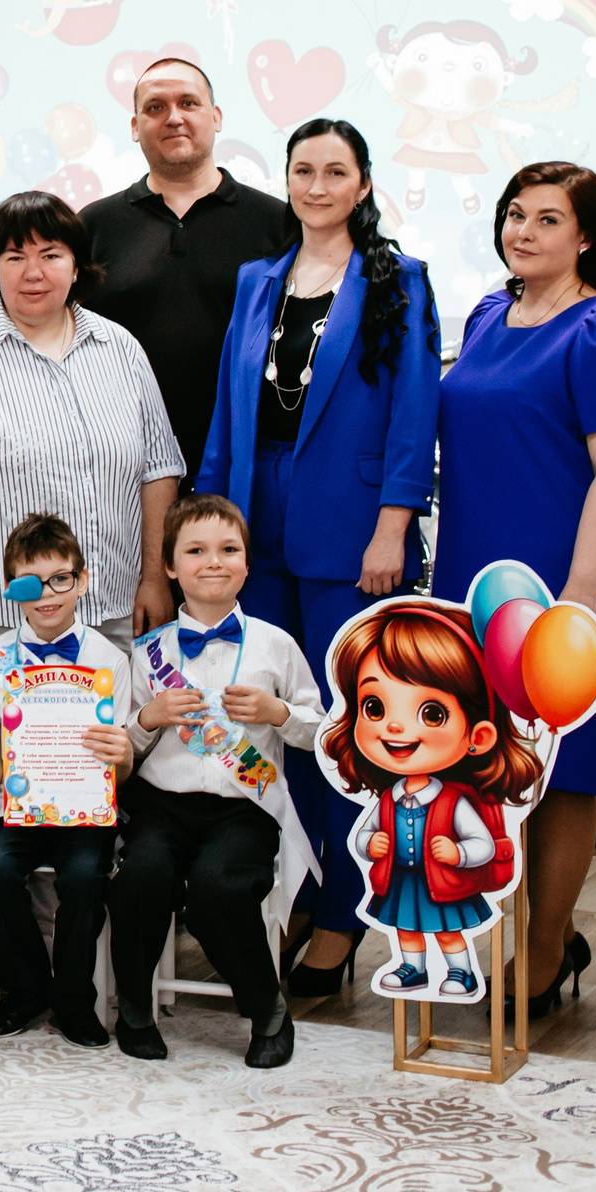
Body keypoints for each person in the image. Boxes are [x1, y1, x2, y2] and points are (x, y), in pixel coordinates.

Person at [193, 119, 440, 996]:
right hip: (259, 515)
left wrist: (393, 523)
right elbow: (229, 404)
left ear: (364, 184)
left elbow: (415, 412)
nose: (318, 184)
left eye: (336, 171)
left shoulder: (397, 280)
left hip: (351, 524)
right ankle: (298, 884)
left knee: (345, 723)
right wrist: (216, 518)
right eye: (304, 169)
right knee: (274, 716)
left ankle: (341, 917)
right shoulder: (258, 280)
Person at [431, 161, 596, 1018]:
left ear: (586, 236)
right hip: (480, 575)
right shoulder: (489, 313)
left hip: (570, 578)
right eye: (513, 215)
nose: (523, 231)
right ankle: (522, 927)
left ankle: (550, 942)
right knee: (493, 762)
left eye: (547, 219)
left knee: (567, 770)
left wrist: (579, 597)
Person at [0, 191, 185, 651]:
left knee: (115, 726)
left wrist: (154, 579)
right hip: (4, 616)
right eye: (15, 257)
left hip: (117, 610)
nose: (33, 272)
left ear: (76, 266)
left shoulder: (121, 348)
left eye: (50, 255)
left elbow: (157, 471)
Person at [109, 495, 320, 1069]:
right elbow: (121, 750)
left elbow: (321, 733)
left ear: (247, 564)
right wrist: (148, 718)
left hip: (243, 807)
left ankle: (267, 1007)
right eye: (195, 550)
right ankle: (134, 1009)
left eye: (229, 550)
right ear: (170, 567)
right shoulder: (146, 653)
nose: (214, 562)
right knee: (140, 878)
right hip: (161, 805)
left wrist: (278, 713)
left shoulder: (276, 645)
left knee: (218, 890)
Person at [0, 514, 129, 1047]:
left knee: (82, 879)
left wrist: (123, 756)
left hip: (86, 810)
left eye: (61, 579)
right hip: (18, 808)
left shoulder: (110, 660)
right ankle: (27, 990)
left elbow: (121, 767)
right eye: (31, 583)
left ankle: (74, 1001)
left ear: (83, 580)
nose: (48, 595)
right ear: (11, 591)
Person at [80, 56, 291, 482]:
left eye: (188, 103)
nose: (174, 118)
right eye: (156, 107)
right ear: (135, 126)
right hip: (116, 465)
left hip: (241, 463)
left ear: (215, 118)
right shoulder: (92, 226)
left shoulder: (279, 223)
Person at [321, 601, 541, 1002]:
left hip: (446, 882)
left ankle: (460, 971)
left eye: (432, 713)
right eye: (374, 707)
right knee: (405, 928)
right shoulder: (389, 797)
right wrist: (369, 845)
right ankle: (411, 968)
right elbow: (364, 834)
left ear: (479, 737)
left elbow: (483, 845)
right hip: (403, 880)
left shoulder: (453, 802)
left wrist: (458, 853)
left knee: (447, 929)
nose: (394, 725)